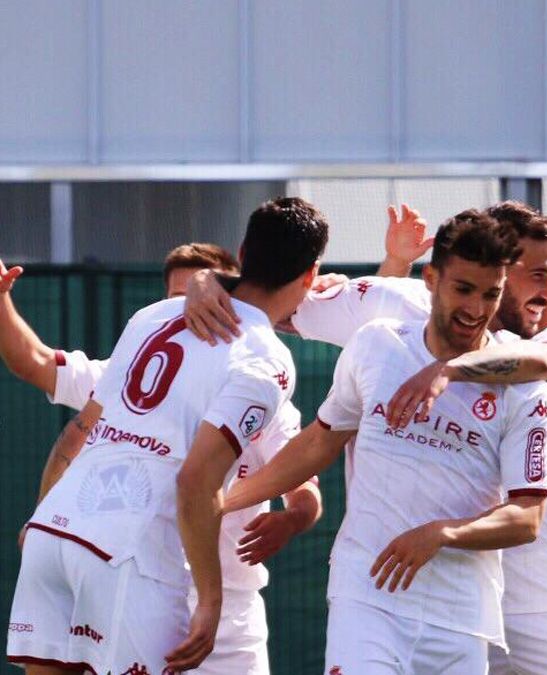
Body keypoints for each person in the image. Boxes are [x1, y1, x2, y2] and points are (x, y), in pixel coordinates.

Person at [222, 210, 547, 674]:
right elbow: (320, 442)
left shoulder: (522, 387)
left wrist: (443, 533)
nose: (476, 310)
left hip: (460, 617)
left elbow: (527, 517)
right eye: (463, 289)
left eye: (490, 294)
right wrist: (221, 504)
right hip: (366, 598)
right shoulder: (377, 344)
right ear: (431, 279)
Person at [5, 197, 328, 674]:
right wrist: (210, 602)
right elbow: (195, 482)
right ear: (310, 275)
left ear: (243, 251)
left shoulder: (153, 316)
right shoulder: (266, 359)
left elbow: (82, 429)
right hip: (131, 556)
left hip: (56, 532)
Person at [386, 220, 547, 675]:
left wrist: (451, 369)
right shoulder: (448, 316)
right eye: (535, 272)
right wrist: (218, 290)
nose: (546, 290)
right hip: (479, 607)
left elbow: (543, 362)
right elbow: (298, 299)